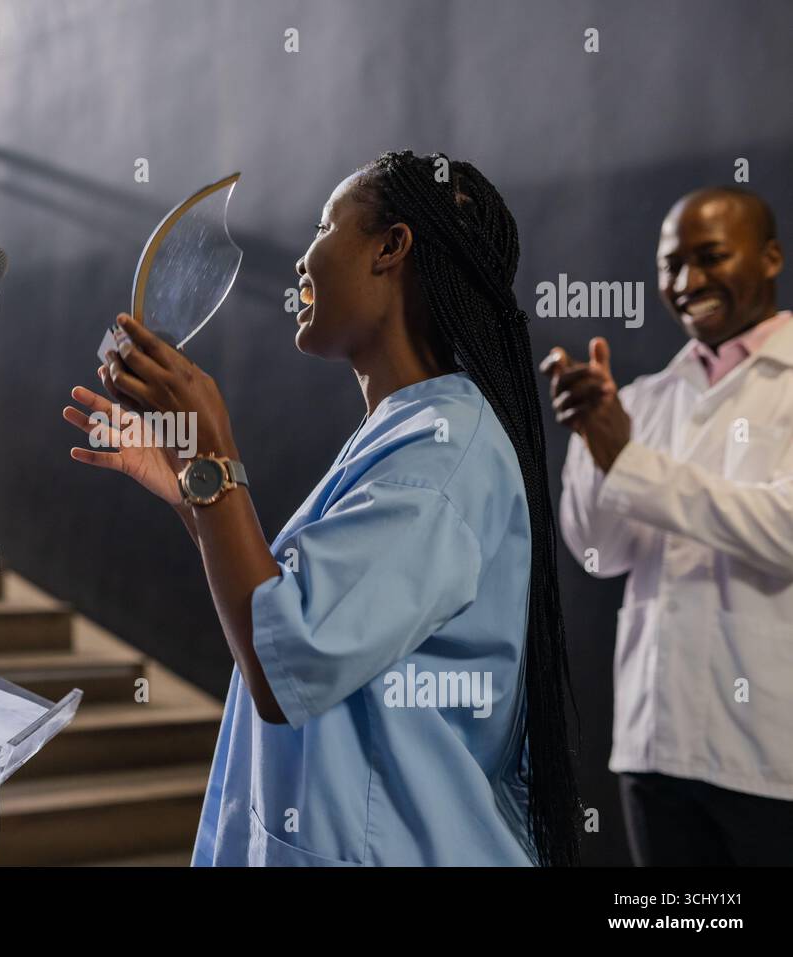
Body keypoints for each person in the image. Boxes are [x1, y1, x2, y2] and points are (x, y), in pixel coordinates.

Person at [63, 150, 581, 865]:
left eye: (323, 226)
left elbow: (287, 661)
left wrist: (212, 445)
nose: (303, 261)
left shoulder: (445, 450)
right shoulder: (411, 430)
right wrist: (189, 478)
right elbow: (292, 611)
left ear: (391, 246)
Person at [543, 186, 793, 866]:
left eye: (711, 257)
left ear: (769, 258)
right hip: (655, 746)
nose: (687, 283)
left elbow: (786, 531)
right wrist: (595, 443)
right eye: (671, 264)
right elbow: (600, 553)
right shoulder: (642, 400)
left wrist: (628, 459)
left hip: (772, 758)